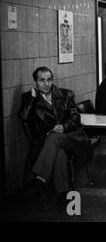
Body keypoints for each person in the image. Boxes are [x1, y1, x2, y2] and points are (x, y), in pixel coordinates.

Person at [19, 66, 93, 207]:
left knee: (54, 137)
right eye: (42, 80)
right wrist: (32, 99)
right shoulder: (29, 99)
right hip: (49, 145)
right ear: (35, 82)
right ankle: (62, 194)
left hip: (72, 138)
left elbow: (76, 118)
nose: (46, 84)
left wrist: (64, 127)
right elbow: (24, 117)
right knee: (59, 153)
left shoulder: (66, 95)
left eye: (49, 80)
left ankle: (41, 178)